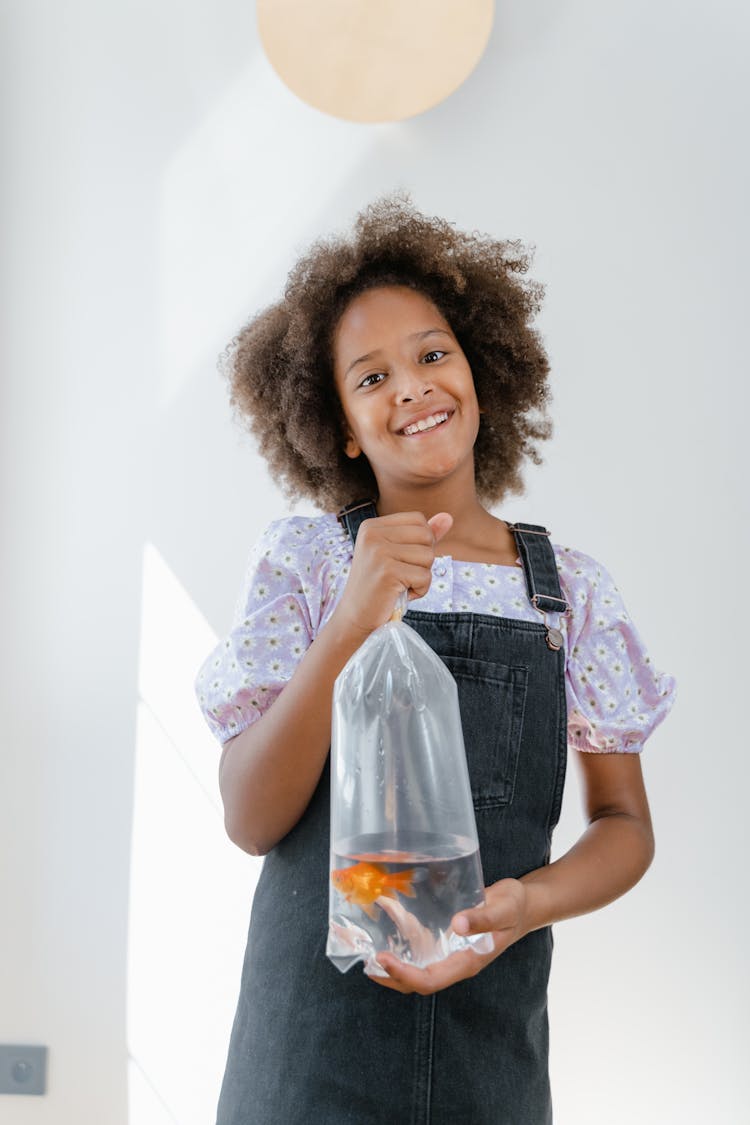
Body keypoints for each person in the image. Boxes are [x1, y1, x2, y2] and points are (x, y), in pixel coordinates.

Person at [195, 196, 675, 1124]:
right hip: (307, 1048)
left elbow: (624, 823)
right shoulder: (307, 564)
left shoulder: (566, 590)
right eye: (369, 377)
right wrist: (347, 621)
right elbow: (251, 818)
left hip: (487, 1043)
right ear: (337, 424)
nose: (411, 387)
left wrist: (523, 907)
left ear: (479, 370)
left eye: (431, 354)